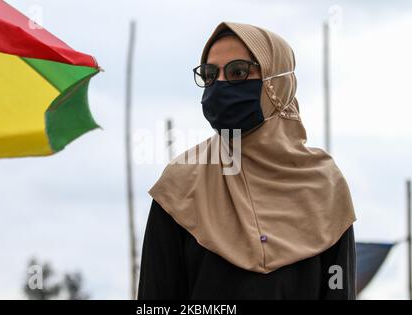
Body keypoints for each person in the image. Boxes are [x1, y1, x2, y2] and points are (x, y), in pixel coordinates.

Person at [137, 21, 357, 300]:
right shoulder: (180, 186)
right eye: (208, 75)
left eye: (238, 72)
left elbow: (339, 292)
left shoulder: (325, 186)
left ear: (277, 81)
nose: (219, 85)